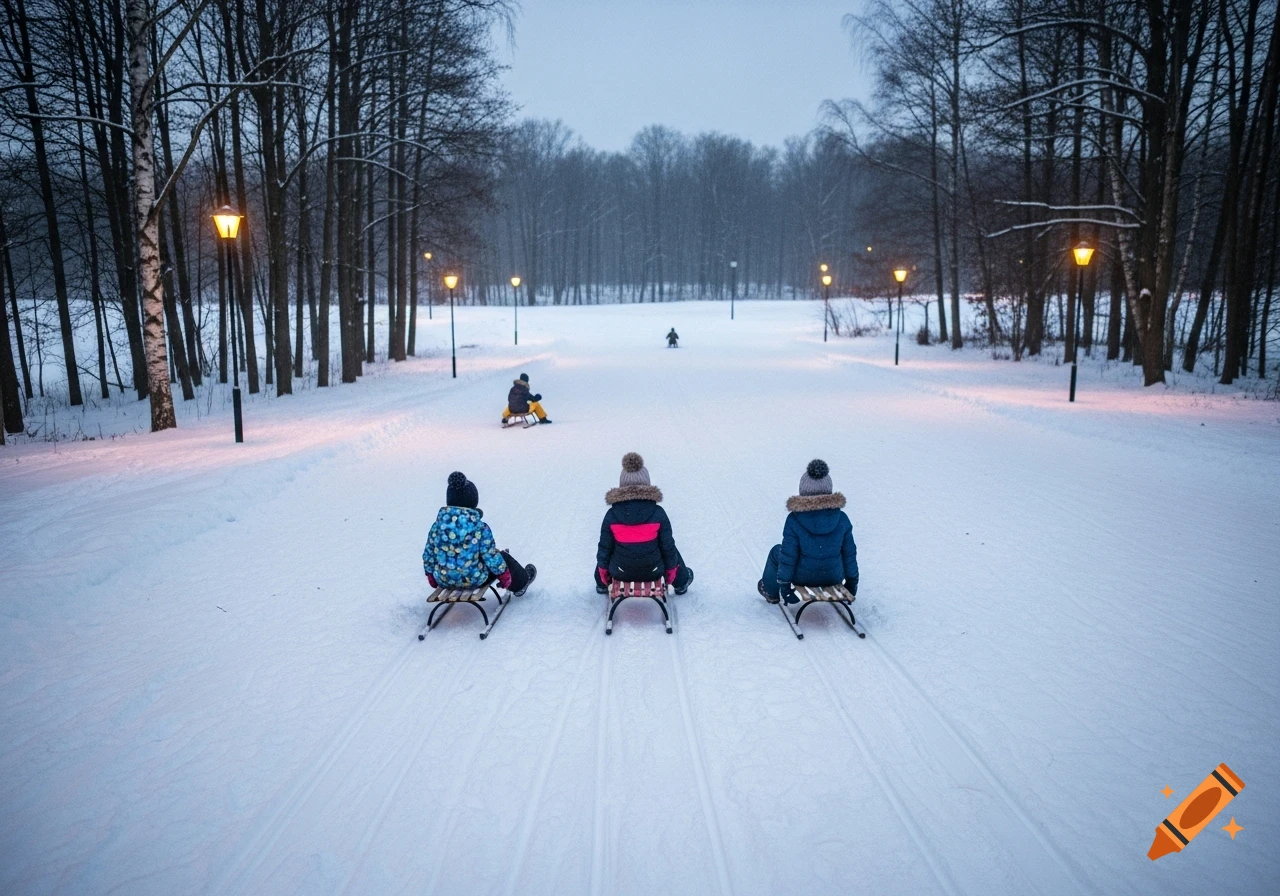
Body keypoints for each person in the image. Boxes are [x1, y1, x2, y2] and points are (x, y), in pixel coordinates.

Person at [758, 459, 858, 605]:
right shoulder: (842, 519)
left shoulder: (794, 519)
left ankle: (771, 592)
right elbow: (849, 554)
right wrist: (852, 583)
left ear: (802, 491)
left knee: (777, 551)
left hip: (802, 577)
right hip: (833, 577)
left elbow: (788, 556)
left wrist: (785, 586)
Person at [423, 471, 536, 596]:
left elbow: (429, 554)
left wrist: (430, 575)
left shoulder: (437, 526)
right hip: (474, 579)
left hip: (444, 580)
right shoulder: (480, 528)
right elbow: (490, 555)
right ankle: (521, 583)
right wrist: (504, 575)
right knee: (501, 556)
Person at [596, 452, 694, 595]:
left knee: (608, 548)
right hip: (653, 571)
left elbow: (604, 549)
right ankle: (682, 582)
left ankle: (600, 586)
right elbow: (668, 549)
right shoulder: (658, 513)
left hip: (620, 572)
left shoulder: (612, 515)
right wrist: (672, 573)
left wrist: (603, 578)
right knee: (668, 547)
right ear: (647, 484)